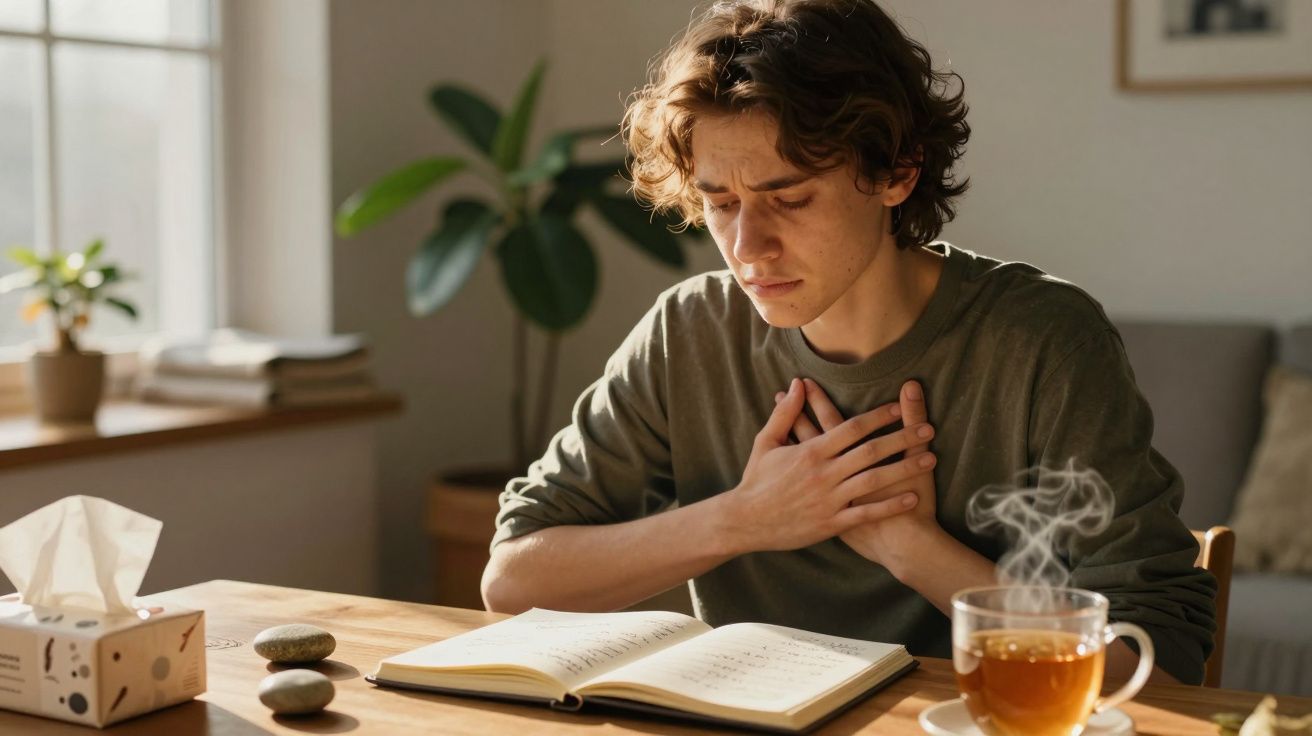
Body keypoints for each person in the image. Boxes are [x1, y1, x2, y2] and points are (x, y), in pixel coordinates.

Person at [481, 0, 1216, 685]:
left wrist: (910, 548)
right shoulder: (688, 332)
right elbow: (513, 580)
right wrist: (744, 519)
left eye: (789, 198)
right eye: (720, 203)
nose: (748, 248)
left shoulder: (1041, 340)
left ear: (896, 171)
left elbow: (1159, 659)